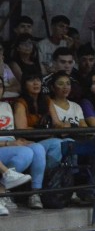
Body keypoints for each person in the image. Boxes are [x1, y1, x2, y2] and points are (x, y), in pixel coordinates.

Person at [0, 76, 45, 211]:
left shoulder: (6, 106)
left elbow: (10, 130)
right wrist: (8, 144)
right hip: (3, 145)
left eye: (0, 86)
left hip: (10, 142)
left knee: (37, 148)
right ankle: (3, 190)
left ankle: (35, 193)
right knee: (25, 152)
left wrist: (20, 140)